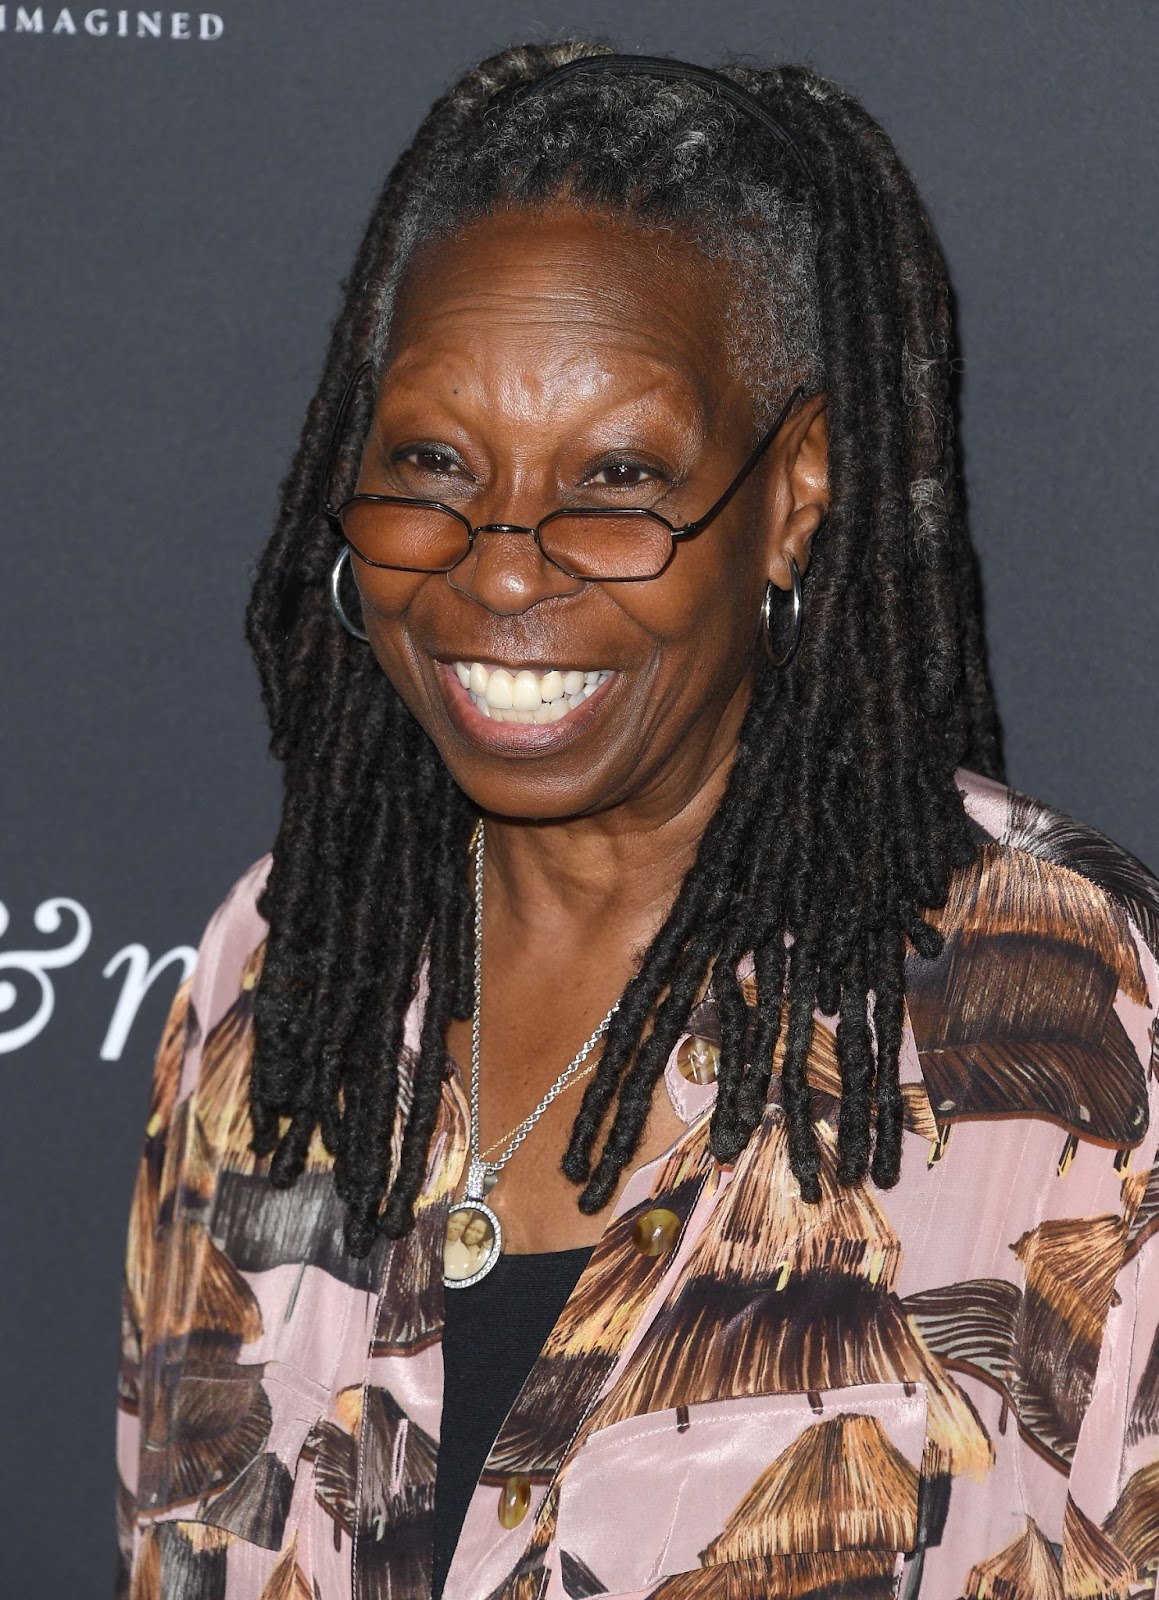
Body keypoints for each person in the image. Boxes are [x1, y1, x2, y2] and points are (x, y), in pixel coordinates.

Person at [115, 40, 1159, 1600]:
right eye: (432, 464)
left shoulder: (1074, 1008)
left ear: (794, 493)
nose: (504, 566)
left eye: (616, 474)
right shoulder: (277, 967)